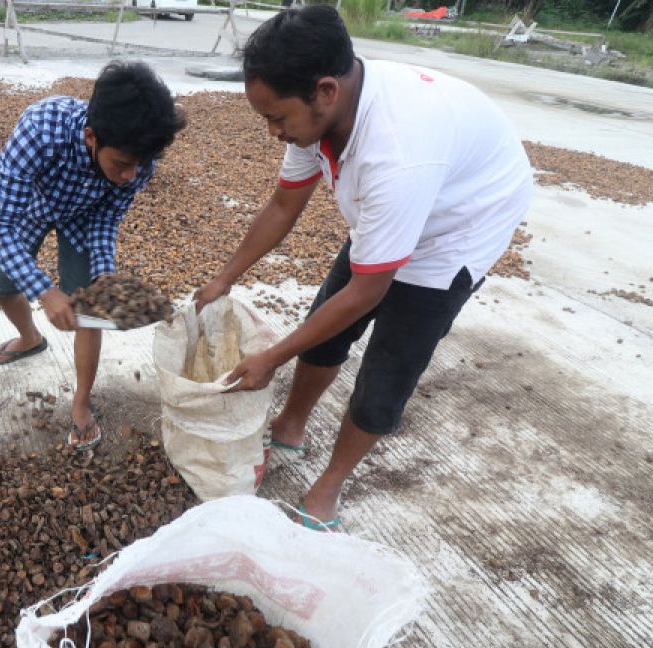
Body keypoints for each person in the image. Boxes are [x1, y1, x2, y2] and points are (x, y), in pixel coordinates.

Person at [194, 5, 532, 530]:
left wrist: (273, 358)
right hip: (407, 203)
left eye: (277, 118)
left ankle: (330, 484)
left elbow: (369, 290)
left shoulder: (395, 150)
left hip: (456, 229)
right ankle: (290, 424)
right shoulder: (318, 116)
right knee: (326, 324)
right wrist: (225, 275)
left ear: (326, 91)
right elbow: (284, 205)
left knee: (386, 373)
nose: (271, 132)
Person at [0, 60, 186, 451]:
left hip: (84, 216)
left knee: (90, 309)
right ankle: (29, 337)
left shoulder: (139, 162)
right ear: (91, 137)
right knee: (3, 285)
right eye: (121, 165)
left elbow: (107, 218)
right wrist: (45, 291)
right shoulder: (39, 129)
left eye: (139, 167)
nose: (131, 175)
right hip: (32, 208)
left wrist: (104, 276)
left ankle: (81, 402)